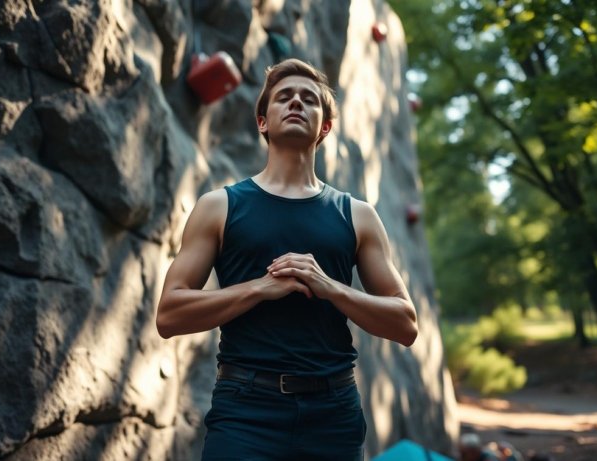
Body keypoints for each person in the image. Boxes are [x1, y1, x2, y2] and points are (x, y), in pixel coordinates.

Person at [156, 58, 418, 460]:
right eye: (284, 97)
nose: (296, 102)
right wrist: (261, 288)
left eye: (309, 99)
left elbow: (405, 323)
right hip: (244, 412)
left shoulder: (357, 214)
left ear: (324, 127)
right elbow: (169, 315)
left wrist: (330, 287)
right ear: (263, 122)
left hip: (334, 414)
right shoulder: (218, 207)